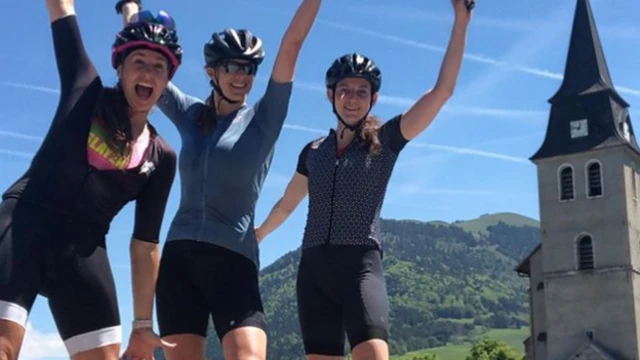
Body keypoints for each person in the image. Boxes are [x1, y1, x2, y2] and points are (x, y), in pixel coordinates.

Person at [254, 1, 474, 359]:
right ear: (330, 94)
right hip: (313, 272)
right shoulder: (314, 151)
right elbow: (287, 203)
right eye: (345, 89)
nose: (352, 98)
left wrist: (461, 21)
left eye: (361, 91)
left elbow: (442, 92)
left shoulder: (385, 141)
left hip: (360, 267)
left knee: (373, 354)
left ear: (373, 98)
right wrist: (260, 234)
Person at [117, 0, 321, 359]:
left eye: (249, 68)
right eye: (232, 67)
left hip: (234, 261)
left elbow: (292, 43)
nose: (242, 77)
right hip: (180, 261)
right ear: (211, 71)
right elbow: (146, 59)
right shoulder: (191, 115)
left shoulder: (264, 120)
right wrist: (130, 10)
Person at [0, 1, 183, 359]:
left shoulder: (162, 157)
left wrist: (143, 326)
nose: (148, 73)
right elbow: (60, 9)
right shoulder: (85, 88)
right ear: (120, 65)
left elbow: (145, 244)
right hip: (24, 224)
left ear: (167, 79)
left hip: (83, 248)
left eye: (158, 66)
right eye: (139, 63)